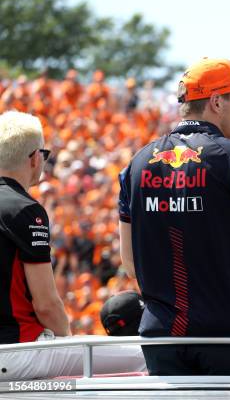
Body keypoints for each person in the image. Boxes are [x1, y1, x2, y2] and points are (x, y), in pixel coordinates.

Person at [118, 57, 230, 376]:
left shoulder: (137, 163)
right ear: (216, 101)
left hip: (162, 341)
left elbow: (130, 264)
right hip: (228, 340)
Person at [0, 111, 145, 380]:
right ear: (35, 158)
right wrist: (66, 340)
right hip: (15, 351)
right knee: (144, 355)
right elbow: (46, 305)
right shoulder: (25, 209)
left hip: (11, 353)